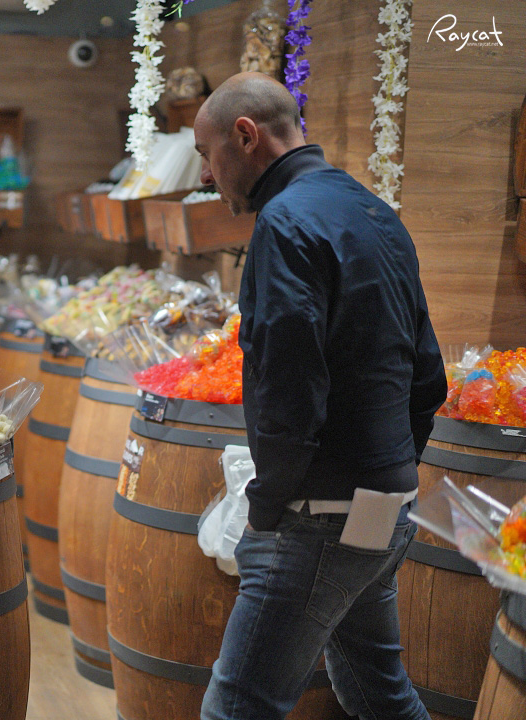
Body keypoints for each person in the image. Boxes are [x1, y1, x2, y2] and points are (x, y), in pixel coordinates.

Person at [192, 72, 446, 720]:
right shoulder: (375, 213)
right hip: (386, 507)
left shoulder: (284, 222)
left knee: (237, 707)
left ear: (244, 136)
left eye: (205, 153)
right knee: (378, 693)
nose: (206, 175)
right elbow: (428, 374)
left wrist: (267, 506)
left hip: (316, 514)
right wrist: (390, 471)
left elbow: (289, 383)